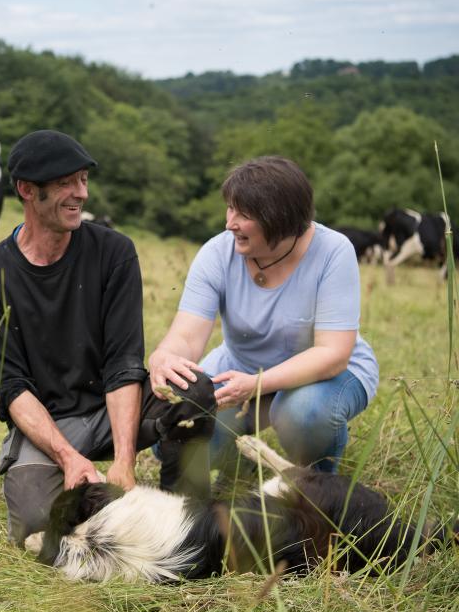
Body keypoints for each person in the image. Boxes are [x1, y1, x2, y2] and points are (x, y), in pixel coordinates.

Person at [0, 130, 216, 546]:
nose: (80, 193)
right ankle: (98, 501)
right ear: (27, 190)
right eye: (65, 183)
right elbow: (8, 387)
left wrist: (123, 461)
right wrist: (68, 457)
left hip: (114, 406)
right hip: (48, 421)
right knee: (35, 525)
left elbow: (123, 361)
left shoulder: (114, 252)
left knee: (192, 390)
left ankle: (186, 513)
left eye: (83, 180)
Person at [149, 156, 378, 483]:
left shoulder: (333, 251)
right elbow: (187, 336)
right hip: (242, 368)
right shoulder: (217, 253)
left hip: (323, 375)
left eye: (243, 214)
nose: (230, 223)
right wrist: (165, 356)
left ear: (280, 219)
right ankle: (240, 467)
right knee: (177, 436)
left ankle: (321, 488)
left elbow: (333, 353)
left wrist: (258, 385)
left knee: (302, 415)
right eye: (230, 208)